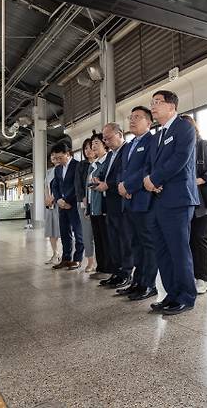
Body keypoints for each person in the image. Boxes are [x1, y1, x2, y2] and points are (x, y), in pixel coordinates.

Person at [144, 90, 199, 315]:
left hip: (178, 198)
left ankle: (186, 296)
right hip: (159, 198)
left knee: (178, 249)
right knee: (163, 250)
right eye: (152, 103)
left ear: (172, 107)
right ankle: (172, 294)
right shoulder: (158, 135)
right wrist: (150, 182)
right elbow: (151, 164)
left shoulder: (183, 128)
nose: (154, 106)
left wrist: (155, 179)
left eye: (158, 102)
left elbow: (180, 158)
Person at [118, 106, 158, 301]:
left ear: (149, 122)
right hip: (128, 200)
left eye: (138, 117)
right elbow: (122, 170)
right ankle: (137, 282)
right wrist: (120, 185)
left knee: (147, 243)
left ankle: (149, 284)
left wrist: (128, 187)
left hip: (144, 200)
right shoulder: (128, 145)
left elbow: (148, 168)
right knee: (135, 243)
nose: (132, 120)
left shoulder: (152, 141)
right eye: (131, 117)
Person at [181, 115, 207, 295]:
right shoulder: (178, 149)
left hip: (204, 202)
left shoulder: (204, 146)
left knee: (199, 238)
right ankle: (189, 275)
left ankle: (202, 278)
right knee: (187, 239)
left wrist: (202, 179)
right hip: (183, 201)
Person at [96, 123, 133, 289]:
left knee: (124, 239)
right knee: (114, 239)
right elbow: (108, 174)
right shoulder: (111, 155)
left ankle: (126, 273)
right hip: (110, 203)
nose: (106, 142)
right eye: (104, 139)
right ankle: (116, 272)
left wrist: (108, 185)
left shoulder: (128, 150)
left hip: (122, 202)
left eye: (108, 138)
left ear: (120, 134)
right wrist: (99, 181)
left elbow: (126, 175)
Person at [50, 142, 84, 270]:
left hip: (74, 205)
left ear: (68, 154)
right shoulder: (58, 169)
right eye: (56, 158)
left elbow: (78, 186)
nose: (58, 160)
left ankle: (77, 259)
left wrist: (68, 201)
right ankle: (66, 258)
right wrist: (59, 199)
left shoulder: (77, 165)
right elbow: (55, 185)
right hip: (62, 206)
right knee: (65, 233)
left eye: (60, 157)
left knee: (78, 232)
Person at [88, 132, 112, 280]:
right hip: (94, 206)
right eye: (92, 143)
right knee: (98, 238)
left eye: (97, 142)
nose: (93, 146)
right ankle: (101, 266)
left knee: (106, 238)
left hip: (104, 206)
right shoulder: (93, 164)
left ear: (105, 144)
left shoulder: (108, 161)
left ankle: (108, 268)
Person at [74, 138, 97, 273]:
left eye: (90, 147)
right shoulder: (81, 165)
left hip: (98, 203)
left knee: (99, 233)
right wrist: (83, 198)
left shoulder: (102, 162)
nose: (88, 151)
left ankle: (101, 261)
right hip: (83, 203)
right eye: (85, 148)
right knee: (87, 233)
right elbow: (77, 184)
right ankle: (89, 261)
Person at [44, 154, 61, 264]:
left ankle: (63, 255)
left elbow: (61, 186)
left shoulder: (63, 170)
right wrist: (47, 198)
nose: (54, 159)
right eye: (52, 157)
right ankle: (55, 253)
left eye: (56, 156)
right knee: (51, 230)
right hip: (50, 205)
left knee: (60, 230)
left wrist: (53, 197)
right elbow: (46, 186)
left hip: (59, 203)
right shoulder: (49, 172)